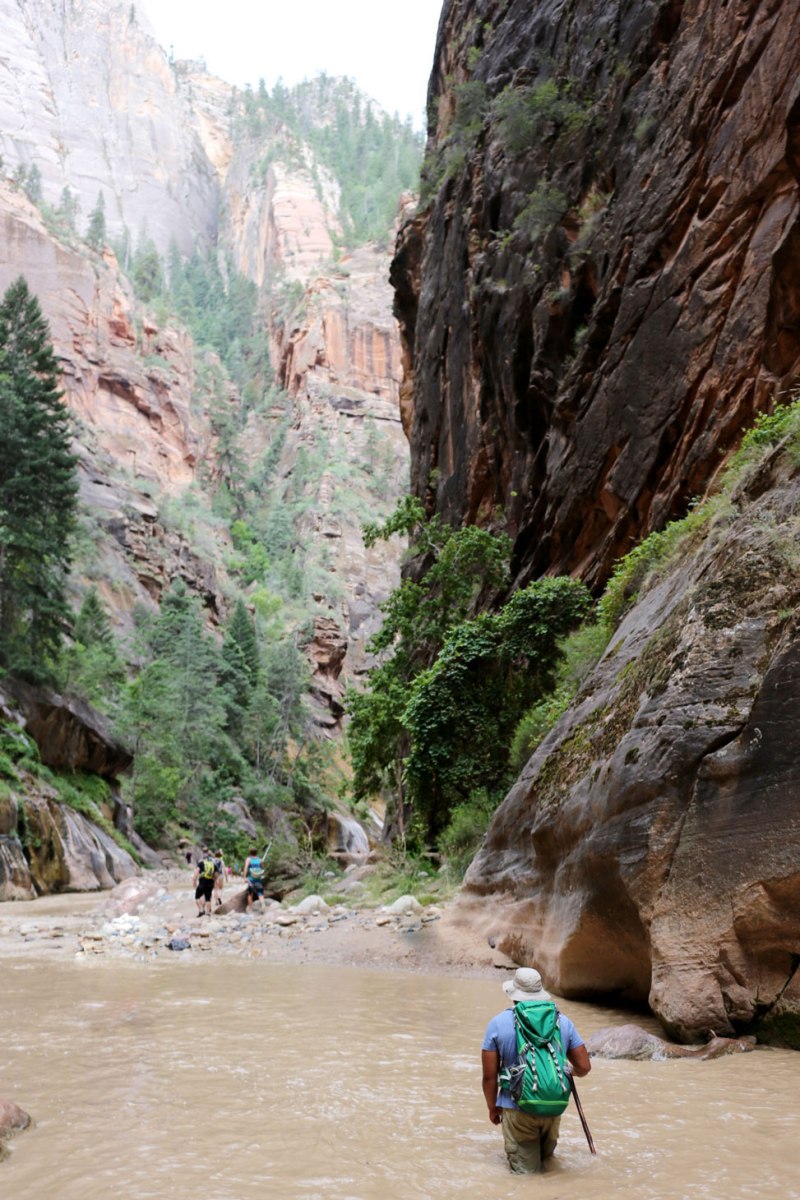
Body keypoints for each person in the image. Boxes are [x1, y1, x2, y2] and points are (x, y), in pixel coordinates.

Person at [481, 967, 591, 1174]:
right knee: (548, 1167)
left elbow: (489, 1077)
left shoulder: (498, 1024)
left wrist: (493, 1107)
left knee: (526, 1176)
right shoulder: (562, 1021)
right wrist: (570, 1072)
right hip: (552, 1106)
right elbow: (584, 1067)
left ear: (514, 995)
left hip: (516, 1109)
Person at [192, 847, 218, 917]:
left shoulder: (201, 863)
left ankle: (201, 910)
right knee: (208, 898)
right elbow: (216, 875)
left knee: (197, 896)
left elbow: (196, 872)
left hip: (202, 882)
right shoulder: (213, 864)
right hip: (210, 882)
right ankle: (208, 913)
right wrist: (214, 882)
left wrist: (194, 880)